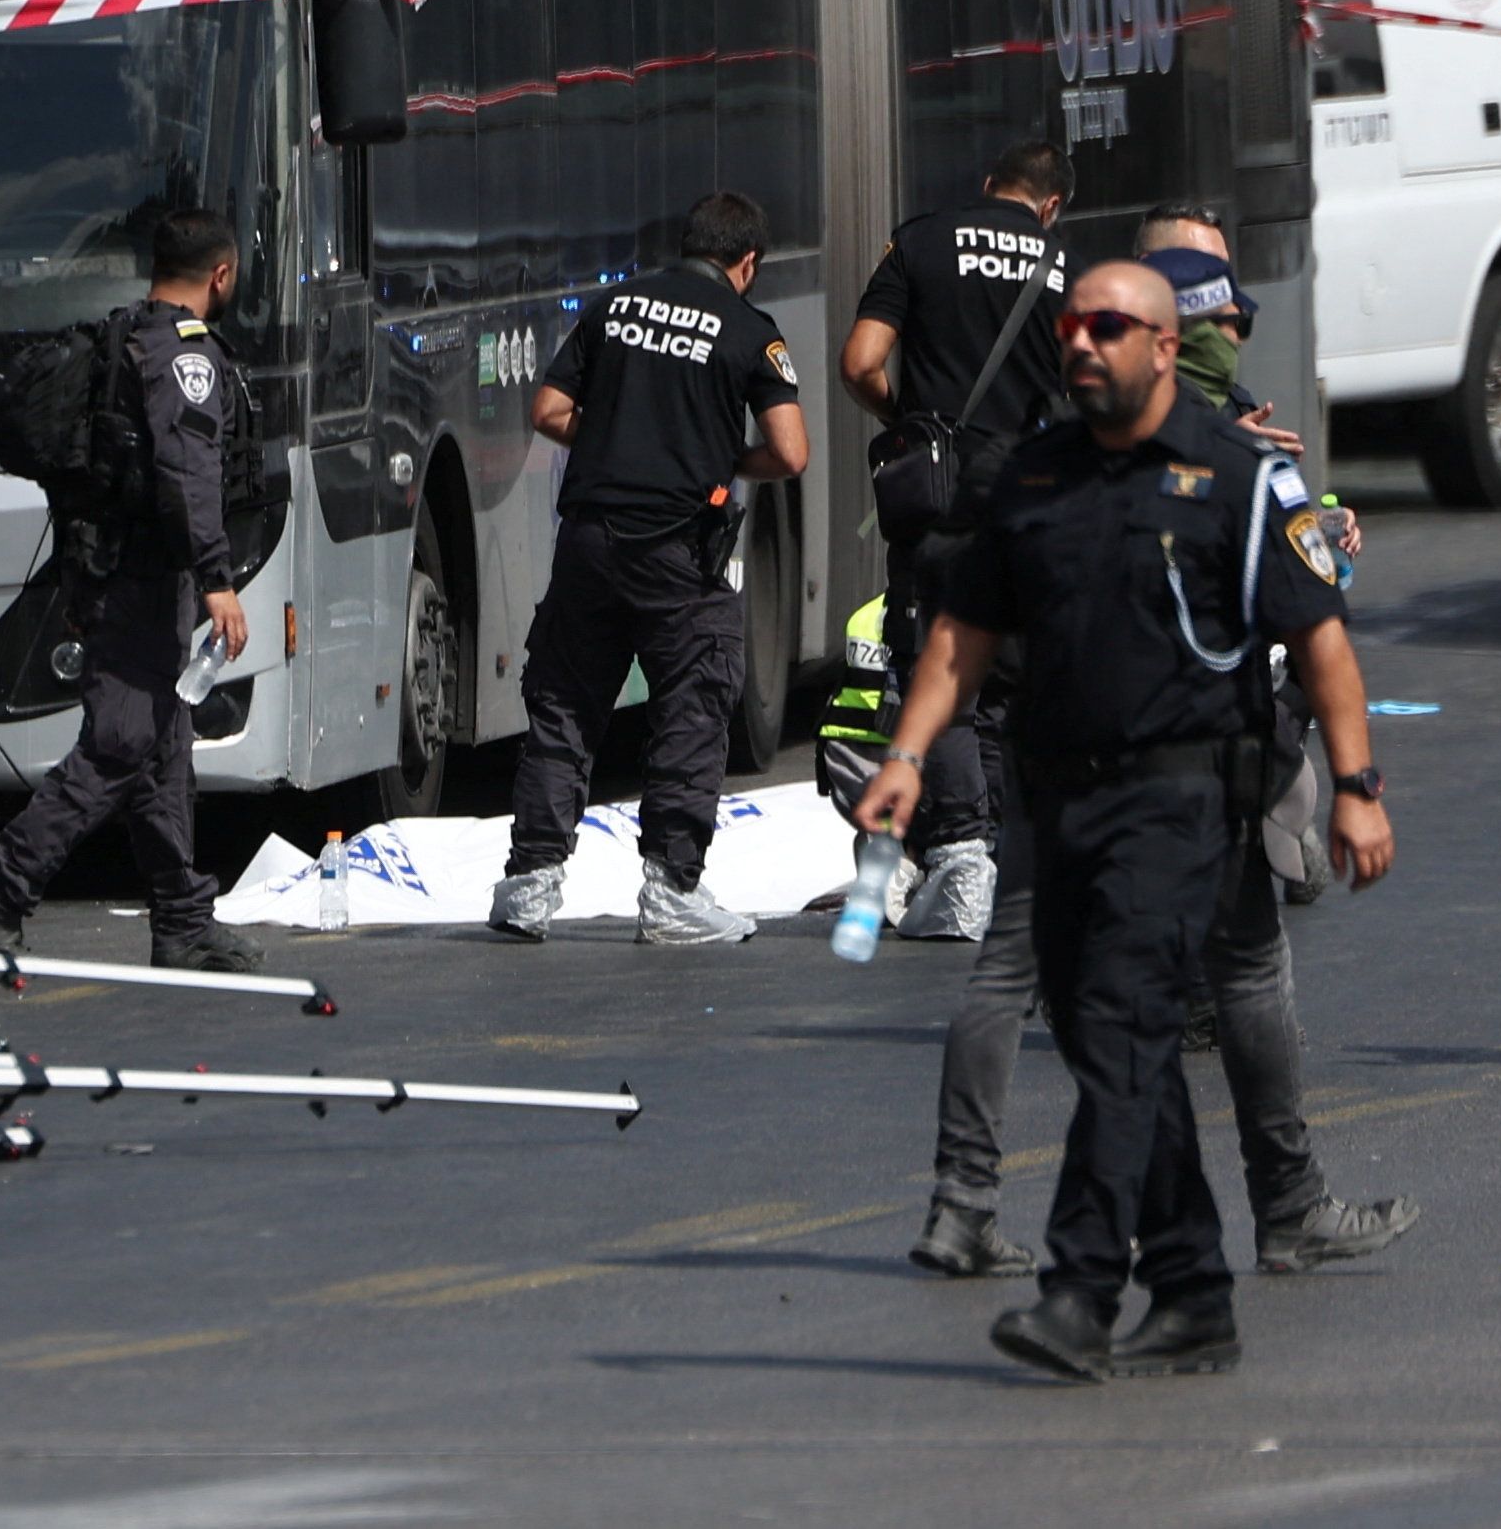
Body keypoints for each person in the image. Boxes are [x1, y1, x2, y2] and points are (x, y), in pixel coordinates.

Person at [857, 261, 1396, 1381]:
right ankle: (1193, 1293)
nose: (1081, 343)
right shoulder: (1034, 474)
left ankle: (1080, 1289)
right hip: (1058, 802)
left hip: (1182, 802)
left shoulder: (1239, 474)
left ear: (1162, 346)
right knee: (1113, 1047)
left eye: (1107, 327)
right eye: (1071, 327)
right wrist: (905, 756)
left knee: (1124, 1032)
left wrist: (1355, 787)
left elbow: (1322, 643)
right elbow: (962, 635)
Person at [0, 210, 266, 974]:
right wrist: (217, 579)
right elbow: (188, 473)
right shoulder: (183, 357)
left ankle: (182, 920)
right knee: (120, 743)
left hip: (107, 569)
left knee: (163, 748)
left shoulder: (125, 334)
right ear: (220, 275)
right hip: (140, 583)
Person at [491, 191, 809, 946]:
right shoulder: (749, 329)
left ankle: (529, 885)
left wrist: (620, 439)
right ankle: (671, 891)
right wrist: (720, 458)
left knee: (565, 703)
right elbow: (791, 452)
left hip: (590, 539)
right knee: (694, 704)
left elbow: (547, 410)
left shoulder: (614, 306)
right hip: (677, 549)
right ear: (747, 262)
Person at [835, 145, 1074, 935]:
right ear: (1050, 205)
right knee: (1006, 679)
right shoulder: (1066, 266)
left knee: (937, 666)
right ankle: (990, 855)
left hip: (939, 495)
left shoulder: (922, 240)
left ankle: (962, 857)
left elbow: (861, 361)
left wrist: (907, 418)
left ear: (987, 184)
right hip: (1037, 493)